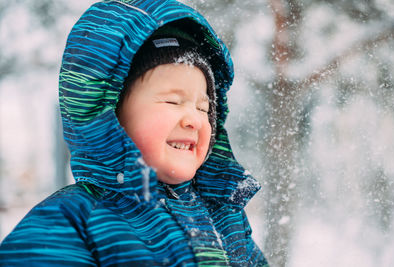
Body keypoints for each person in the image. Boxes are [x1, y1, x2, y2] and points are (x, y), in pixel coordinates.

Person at [0, 0, 268, 266]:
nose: (194, 121)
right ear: (111, 116)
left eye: (203, 108)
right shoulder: (73, 219)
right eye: (173, 102)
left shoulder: (225, 216)